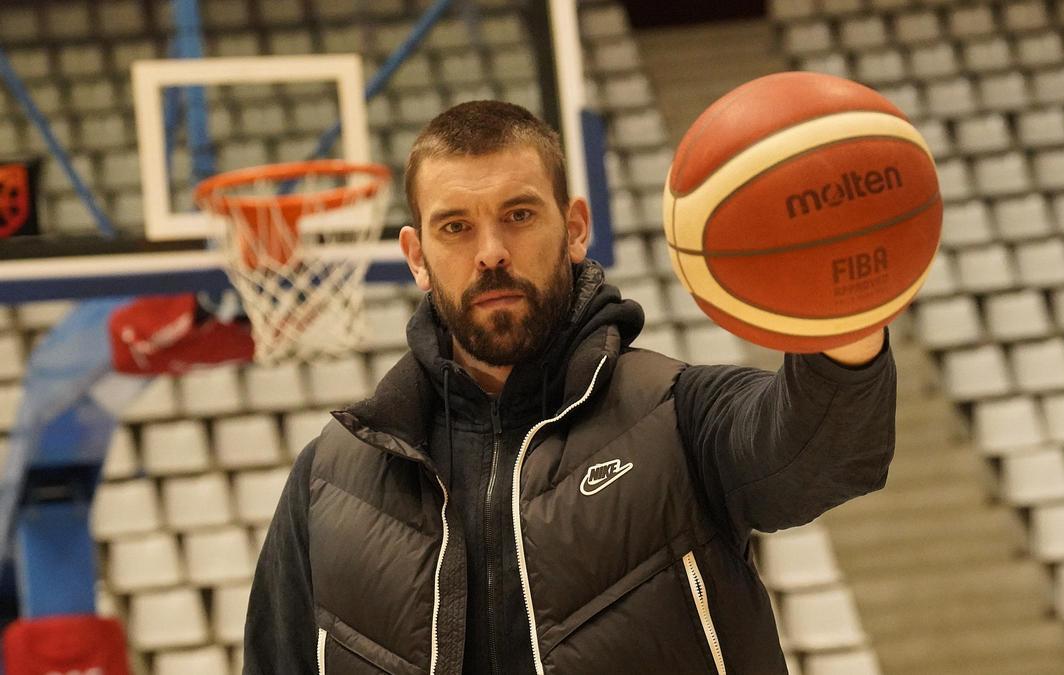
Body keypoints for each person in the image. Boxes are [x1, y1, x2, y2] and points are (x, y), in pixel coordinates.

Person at [243, 100, 896, 675]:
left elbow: (823, 452)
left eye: (519, 214)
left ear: (575, 226)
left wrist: (846, 309)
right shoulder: (329, 479)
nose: (491, 250)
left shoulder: (677, 413)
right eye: (456, 226)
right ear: (416, 255)